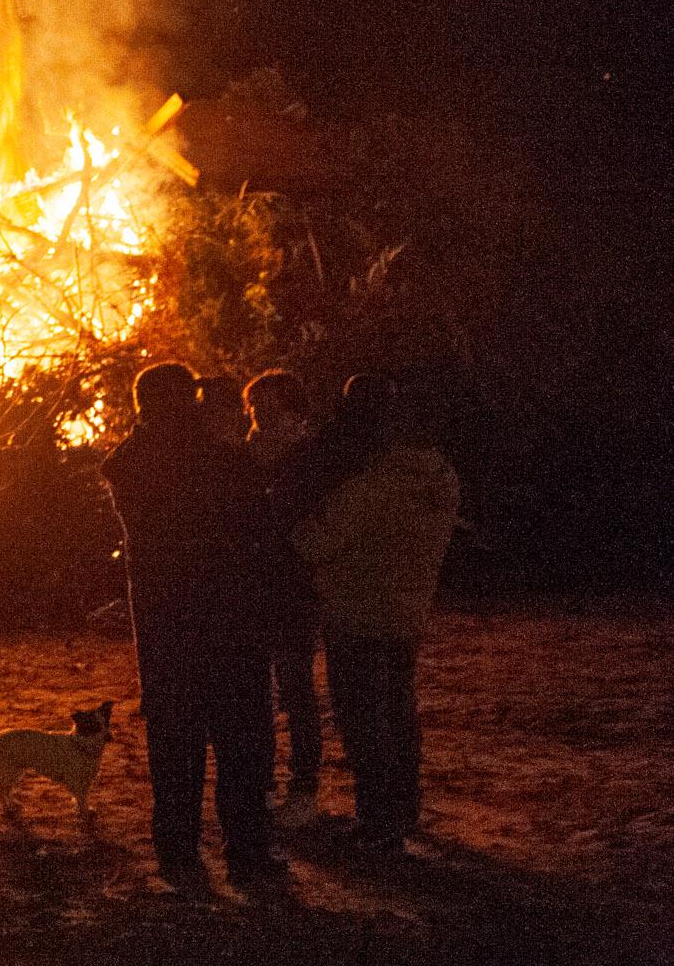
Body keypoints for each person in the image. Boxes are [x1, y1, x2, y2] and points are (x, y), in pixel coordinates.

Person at [102, 363, 279, 887]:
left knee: (174, 741)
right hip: (232, 618)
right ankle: (246, 852)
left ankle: (178, 852)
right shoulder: (224, 461)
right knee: (242, 740)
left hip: (166, 623)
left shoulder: (130, 465)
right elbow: (257, 531)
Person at [295, 379, 459, 850]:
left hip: (357, 611)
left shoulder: (376, 485)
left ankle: (377, 820)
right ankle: (404, 810)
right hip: (407, 610)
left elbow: (316, 542)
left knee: (363, 719)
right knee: (400, 712)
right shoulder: (441, 479)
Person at [244, 369, 324, 818]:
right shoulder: (242, 460)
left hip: (294, 587)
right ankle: (264, 781)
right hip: (251, 586)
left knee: (295, 687)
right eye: (257, 407)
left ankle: (304, 786)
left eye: (273, 408)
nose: (263, 416)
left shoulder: (309, 461)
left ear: (295, 412)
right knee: (254, 690)